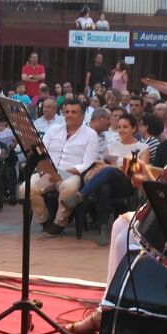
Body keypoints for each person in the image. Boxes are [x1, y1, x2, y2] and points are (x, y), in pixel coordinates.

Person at [24, 97, 98, 235]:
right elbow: (42, 151)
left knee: (69, 188)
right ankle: (45, 220)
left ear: (82, 115)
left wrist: (64, 172)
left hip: (71, 173)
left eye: (73, 112)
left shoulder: (90, 134)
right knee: (25, 188)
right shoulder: (54, 130)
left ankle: (59, 222)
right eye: (67, 111)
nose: (69, 115)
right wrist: (44, 169)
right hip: (49, 171)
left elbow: (88, 162)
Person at [77, 113, 150, 245]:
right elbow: (101, 164)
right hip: (110, 183)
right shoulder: (112, 146)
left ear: (134, 129)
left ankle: (82, 195)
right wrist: (121, 164)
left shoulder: (142, 148)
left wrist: (115, 162)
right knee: (104, 188)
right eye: (119, 127)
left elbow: (137, 171)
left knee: (109, 170)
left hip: (128, 184)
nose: (121, 130)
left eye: (125, 127)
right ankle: (104, 227)